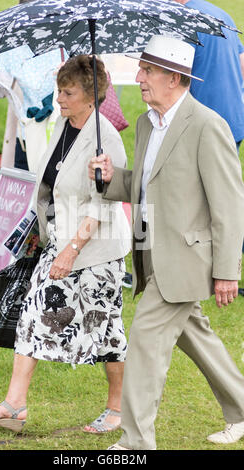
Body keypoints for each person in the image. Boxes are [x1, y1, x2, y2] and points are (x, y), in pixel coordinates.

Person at [89, 35, 244, 449]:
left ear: (174, 77)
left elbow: (229, 206)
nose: (138, 78)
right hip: (151, 256)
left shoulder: (209, 125)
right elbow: (142, 187)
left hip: (187, 258)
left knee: (143, 340)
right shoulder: (145, 123)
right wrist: (109, 178)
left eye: (148, 71)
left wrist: (228, 271)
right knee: (197, 336)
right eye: (141, 69)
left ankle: (136, 444)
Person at [0, 55, 131, 434]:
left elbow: (101, 204)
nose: (59, 97)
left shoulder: (105, 138)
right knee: (30, 315)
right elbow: (50, 183)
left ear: (91, 96)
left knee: (106, 331)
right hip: (58, 242)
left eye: (68, 92)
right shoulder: (64, 123)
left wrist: (71, 251)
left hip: (95, 253)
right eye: (59, 89)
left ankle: (118, 409)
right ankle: (15, 406)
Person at [172, 0, 244, 152]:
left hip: (202, 127)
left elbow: (177, 80)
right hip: (233, 119)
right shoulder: (222, 14)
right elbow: (242, 63)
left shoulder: (182, 20)